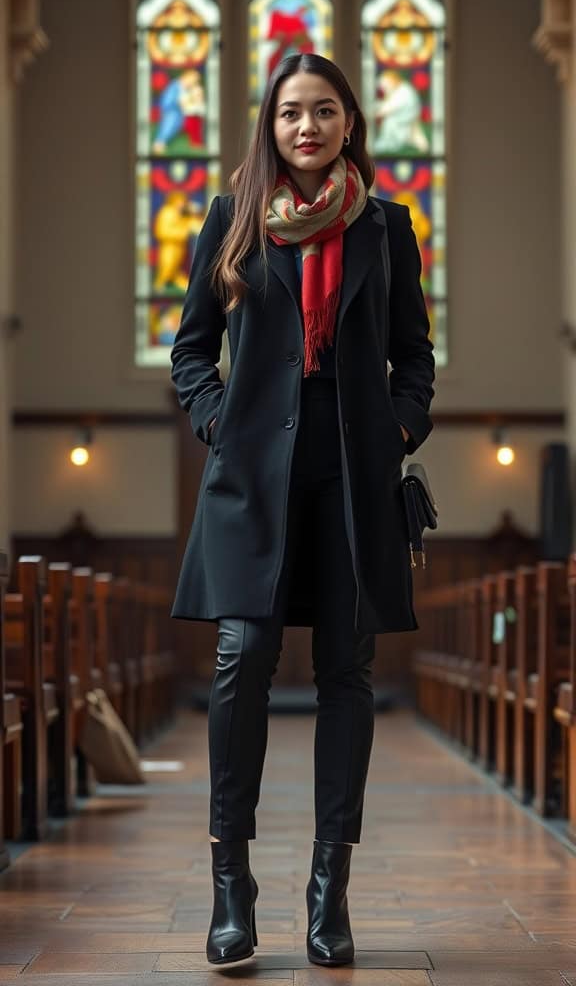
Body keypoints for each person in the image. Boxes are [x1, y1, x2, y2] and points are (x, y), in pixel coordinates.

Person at [170, 52, 435, 968]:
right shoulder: (231, 221)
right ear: (271, 126)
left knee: (345, 674)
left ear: (350, 123)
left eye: (324, 111)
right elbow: (192, 354)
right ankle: (230, 891)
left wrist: (397, 432)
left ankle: (330, 895)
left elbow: (416, 357)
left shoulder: (389, 228)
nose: (307, 128)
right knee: (242, 655)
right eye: (291, 114)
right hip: (254, 482)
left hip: (353, 480)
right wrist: (221, 427)